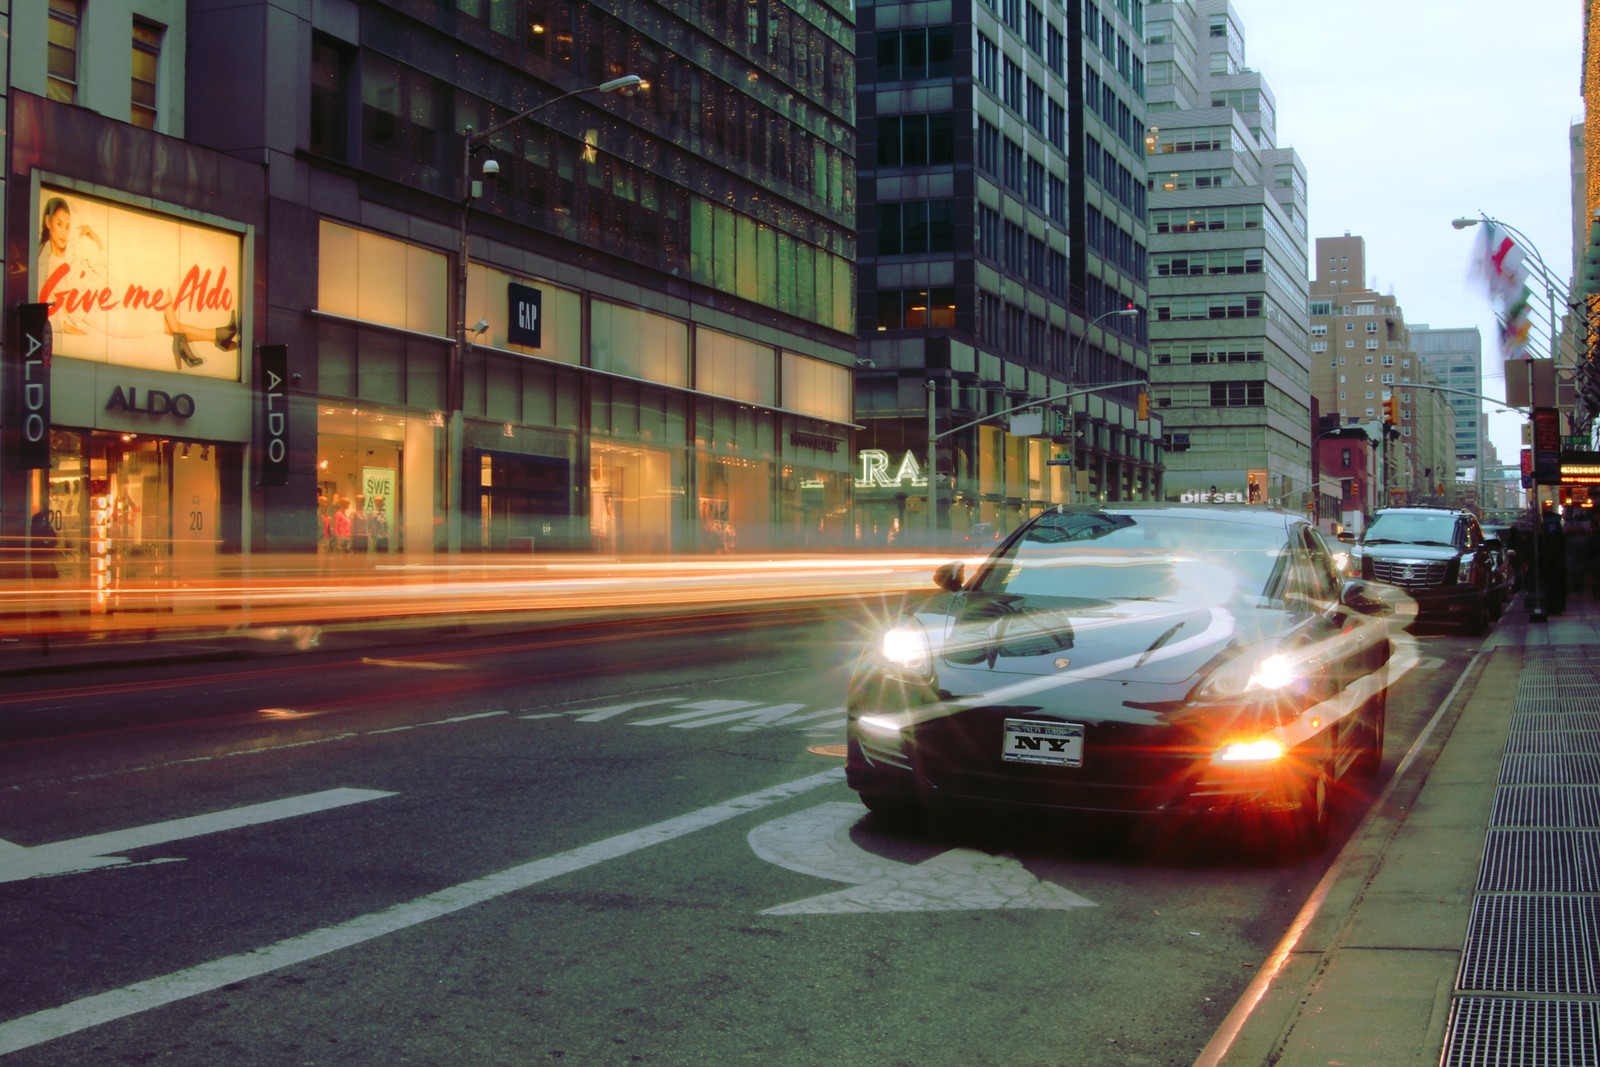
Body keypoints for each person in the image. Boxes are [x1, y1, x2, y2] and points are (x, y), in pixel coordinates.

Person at [29, 507, 58, 580]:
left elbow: (54, 541)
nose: (43, 523)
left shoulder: (47, 529)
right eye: (42, 521)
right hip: (40, 558)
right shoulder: (35, 531)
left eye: (44, 521)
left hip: (46, 557)